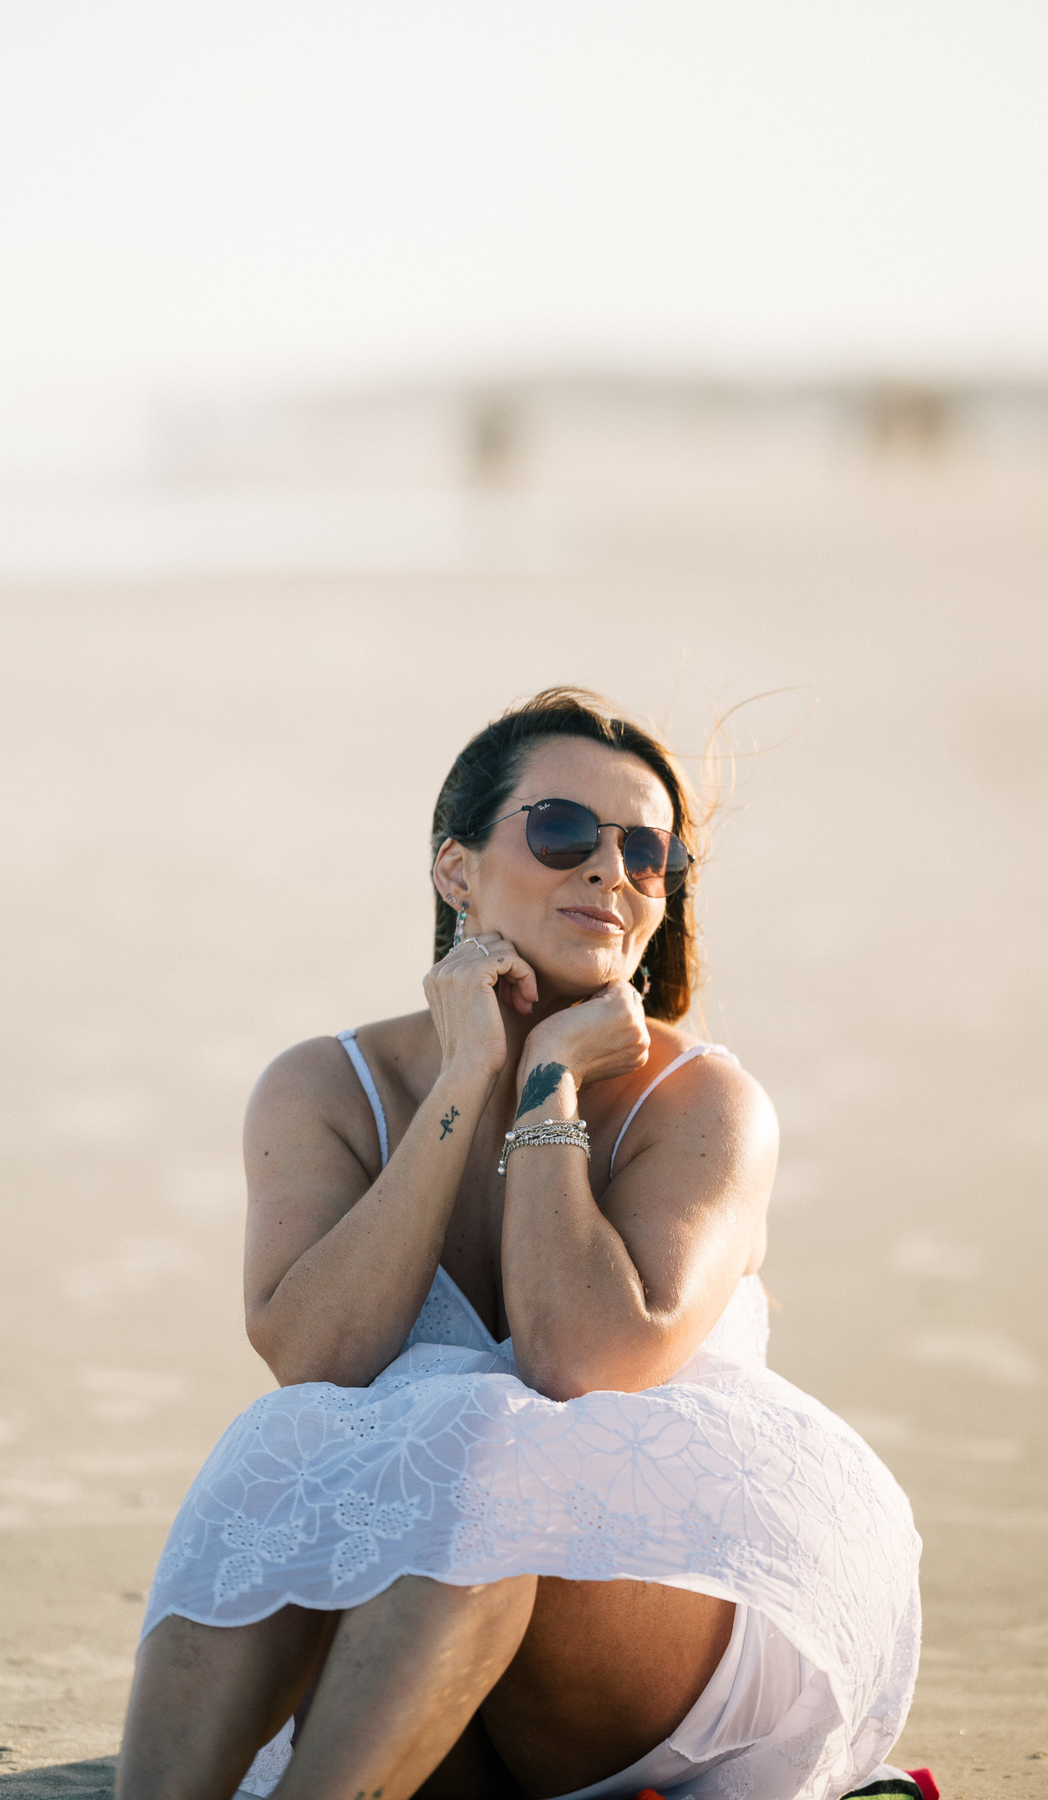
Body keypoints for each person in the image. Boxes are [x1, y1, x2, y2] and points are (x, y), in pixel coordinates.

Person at [117, 688, 922, 1800]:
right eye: (561, 832)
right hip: (415, 1639)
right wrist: (467, 1074)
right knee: (288, 1444)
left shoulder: (707, 1104)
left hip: (660, 1614)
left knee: (478, 1440)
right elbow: (317, 1356)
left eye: (649, 852)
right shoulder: (325, 1087)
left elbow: (579, 1362)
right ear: (456, 871)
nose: (610, 871)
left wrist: (548, 1085)